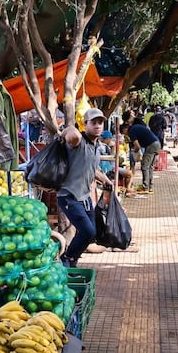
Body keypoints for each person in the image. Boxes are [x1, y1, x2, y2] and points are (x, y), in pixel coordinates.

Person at [57, 108, 114, 267]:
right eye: (93, 122)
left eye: (100, 123)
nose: (97, 126)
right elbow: (72, 135)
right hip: (69, 196)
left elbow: (92, 168)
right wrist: (67, 129)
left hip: (84, 197)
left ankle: (72, 261)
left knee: (91, 235)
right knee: (87, 231)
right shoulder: (78, 142)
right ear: (85, 124)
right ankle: (66, 258)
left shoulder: (95, 146)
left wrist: (105, 180)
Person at [120, 121, 160, 193]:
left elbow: (137, 146)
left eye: (123, 132)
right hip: (156, 143)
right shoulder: (135, 127)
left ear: (125, 129)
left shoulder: (131, 131)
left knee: (144, 166)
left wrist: (134, 152)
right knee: (150, 166)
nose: (125, 134)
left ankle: (145, 187)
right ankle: (149, 186)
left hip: (151, 145)